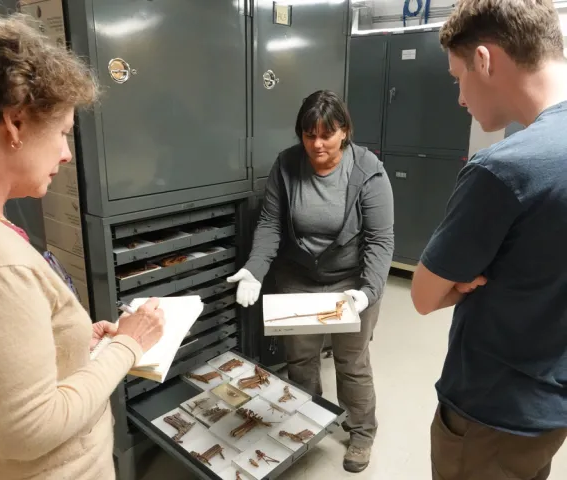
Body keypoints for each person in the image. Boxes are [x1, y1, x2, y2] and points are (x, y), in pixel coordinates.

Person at [0, 10, 164, 480]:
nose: (66, 153)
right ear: (15, 121)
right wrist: (129, 346)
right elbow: (27, 429)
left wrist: (72, 342)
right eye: (61, 132)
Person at [410, 1, 567, 479]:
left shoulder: (505, 170)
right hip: (552, 407)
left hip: (493, 411)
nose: (460, 97)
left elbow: (422, 295)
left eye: (458, 77)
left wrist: (458, 284)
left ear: (484, 60)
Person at [228, 90, 394, 472]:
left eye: (326, 134)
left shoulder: (368, 170)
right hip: (298, 278)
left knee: (351, 361)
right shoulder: (286, 165)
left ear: (344, 131)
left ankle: (361, 432)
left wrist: (369, 292)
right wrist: (255, 268)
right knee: (300, 360)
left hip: (352, 282)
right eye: (308, 135)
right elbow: (270, 223)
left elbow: (380, 239)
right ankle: (308, 420)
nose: (316, 144)